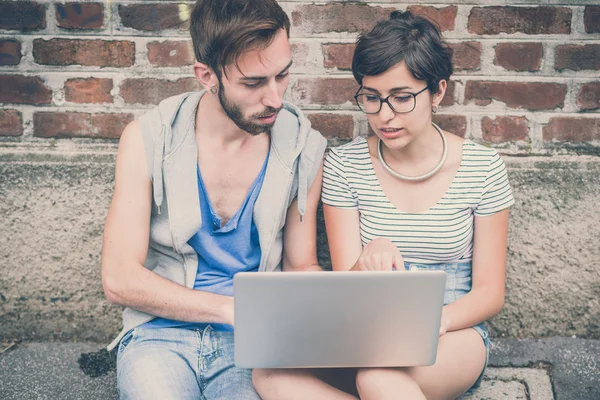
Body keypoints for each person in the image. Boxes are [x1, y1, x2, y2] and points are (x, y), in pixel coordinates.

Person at [253, 10, 514, 400]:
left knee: (378, 378)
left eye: (402, 98)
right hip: (366, 331)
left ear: (438, 91)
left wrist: (429, 323)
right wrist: (368, 256)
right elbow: (346, 283)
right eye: (371, 98)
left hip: (452, 332)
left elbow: (490, 293)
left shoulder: (483, 168)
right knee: (269, 373)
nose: (384, 115)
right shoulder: (345, 166)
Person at [100, 0, 327, 398]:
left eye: (283, 75)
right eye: (254, 83)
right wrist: (227, 310)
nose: (275, 98)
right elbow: (119, 279)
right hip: (159, 335)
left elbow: (301, 264)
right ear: (207, 75)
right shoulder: (148, 139)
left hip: (254, 346)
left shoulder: (303, 147)